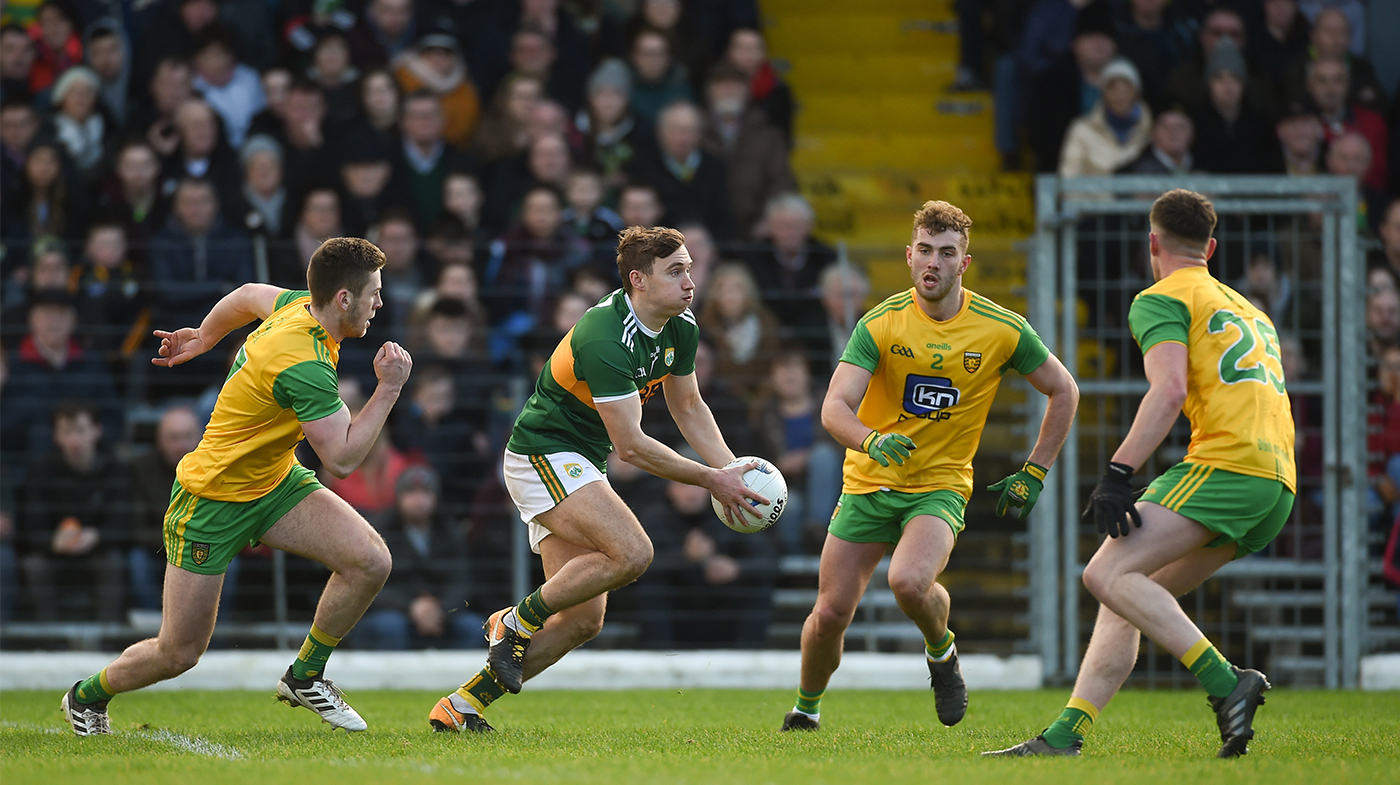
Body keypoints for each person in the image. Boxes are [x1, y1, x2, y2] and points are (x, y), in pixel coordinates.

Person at [60, 236, 413, 737]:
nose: (380, 302)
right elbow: (342, 458)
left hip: (272, 483)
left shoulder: (297, 306)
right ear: (343, 299)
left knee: (371, 560)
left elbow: (248, 294)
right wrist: (390, 387)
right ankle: (86, 696)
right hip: (212, 501)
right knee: (178, 652)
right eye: (374, 293)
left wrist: (205, 336)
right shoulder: (305, 364)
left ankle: (305, 675)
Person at [985, 189, 1294, 759]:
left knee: (1103, 573)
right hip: (1277, 482)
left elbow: (1170, 388)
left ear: (1152, 243)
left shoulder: (1160, 297)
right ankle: (1064, 736)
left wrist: (1117, 472)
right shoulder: (1249, 308)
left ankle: (1229, 683)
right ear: (1212, 247)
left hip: (1228, 463)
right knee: (1127, 590)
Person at [426, 225, 763, 733]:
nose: (691, 280)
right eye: (676, 271)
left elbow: (689, 405)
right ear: (638, 280)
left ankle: (461, 707)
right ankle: (512, 621)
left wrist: (733, 468)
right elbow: (631, 445)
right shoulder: (605, 336)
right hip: (542, 452)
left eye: (690, 268)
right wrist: (713, 480)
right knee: (634, 553)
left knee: (584, 620)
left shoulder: (681, 324)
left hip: (581, 460)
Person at [781, 200, 1079, 732]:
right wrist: (871, 440)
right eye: (924, 250)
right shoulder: (882, 323)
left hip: (938, 487)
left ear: (965, 262)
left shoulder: (1001, 329)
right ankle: (806, 710)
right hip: (869, 483)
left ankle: (942, 652)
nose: (932, 262)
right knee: (829, 615)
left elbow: (1064, 390)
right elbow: (833, 408)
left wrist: (1036, 469)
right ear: (909, 256)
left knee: (910, 582)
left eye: (946, 252)